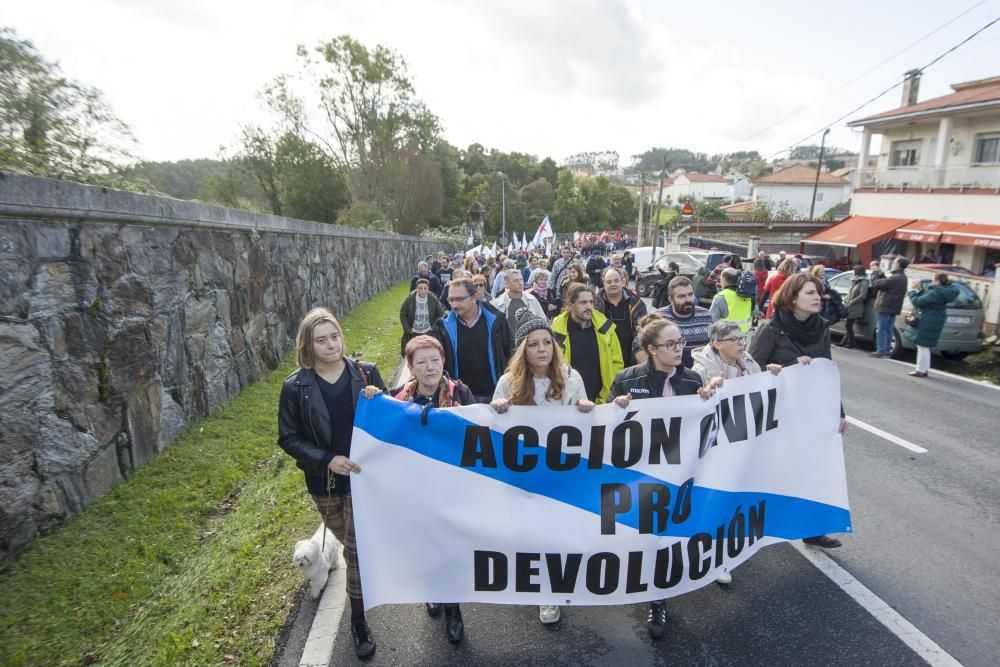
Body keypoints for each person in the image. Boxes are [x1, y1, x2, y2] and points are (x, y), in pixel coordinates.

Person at [277, 308, 387, 659]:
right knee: (345, 540)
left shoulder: (365, 372)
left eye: (335, 336)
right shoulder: (296, 387)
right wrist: (327, 459)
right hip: (322, 483)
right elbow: (288, 437)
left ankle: (358, 622)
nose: (331, 345)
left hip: (362, 479)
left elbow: (390, 419)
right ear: (308, 346)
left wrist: (379, 398)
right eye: (321, 340)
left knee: (354, 551)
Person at [608, 318, 722, 639]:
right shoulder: (627, 380)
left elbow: (709, 425)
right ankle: (651, 594)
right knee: (648, 537)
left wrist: (710, 398)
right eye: (671, 344)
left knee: (672, 534)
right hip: (644, 473)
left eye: (681, 343)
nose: (678, 349)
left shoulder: (692, 380)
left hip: (682, 472)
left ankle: (671, 590)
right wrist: (616, 408)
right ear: (651, 350)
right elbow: (606, 431)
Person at [491, 308, 595, 626]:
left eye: (546, 343)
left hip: (559, 471)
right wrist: (498, 410)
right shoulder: (509, 382)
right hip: (523, 472)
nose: (541, 350)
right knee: (530, 532)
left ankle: (553, 587)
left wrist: (585, 409)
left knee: (555, 531)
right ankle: (539, 588)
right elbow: (492, 427)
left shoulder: (571, 377)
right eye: (534, 344)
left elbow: (586, 419)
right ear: (524, 349)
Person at [748, 273, 847, 551]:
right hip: (779, 416)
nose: (818, 298)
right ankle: (750, 531)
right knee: (774, 475)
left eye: (818, 292)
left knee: (817, 470)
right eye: (809, 293)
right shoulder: (771, 329)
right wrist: (790, 366)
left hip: (812, 412)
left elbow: (827, 371)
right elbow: (751, 370)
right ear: (792, 299)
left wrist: (839, 413)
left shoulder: (821, 328)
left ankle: (813, 530)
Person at [390, 335, 473, 642]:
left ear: (443, 362)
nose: (430, 368)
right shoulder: (397, 401)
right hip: (415, 490)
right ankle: (431, 589)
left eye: (435, 360)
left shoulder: (460, 393)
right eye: (421, 362)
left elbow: (477, 434)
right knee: (423, 545)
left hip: (452, 488)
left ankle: (454, 609)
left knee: (450, 549)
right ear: (410, 367)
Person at [433, 277, 514, 403]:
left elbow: (512, 354)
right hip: (459, 397)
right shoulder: (443, 328)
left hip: (496, 395)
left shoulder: (497, 321)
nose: (454, 304)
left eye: (459, 299)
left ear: (474, 297)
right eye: (451, 299)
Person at [551, 283, 624, 403]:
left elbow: (617, 363)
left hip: (602, 401)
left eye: (591, 302)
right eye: (583, 302)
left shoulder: (605, 328)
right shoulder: (557, 332)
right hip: (569, 401)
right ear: (570, 304)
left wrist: (611, 392)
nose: (589, 306)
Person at [903, 273, 959, 377]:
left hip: (928, 320)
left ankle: (921, 370)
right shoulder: (943, 291)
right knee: (924, 345)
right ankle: (923, 369)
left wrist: (912, 291)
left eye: (933, 280)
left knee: (922, 345)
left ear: (937, 281)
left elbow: (918, 302)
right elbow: (926, 299)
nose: (931, 282)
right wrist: (920, 290)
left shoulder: (936, 292)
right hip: (935, 319)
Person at [655, 276, 714, 369]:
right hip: (669, 375)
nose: (687, 300)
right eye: (681, 296)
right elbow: (640, 348)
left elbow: (714, 347)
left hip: (699, 375)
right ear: (671, 300)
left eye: (690, 294)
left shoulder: (706, 316)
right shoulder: (658, 318)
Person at [597, 266, 647, 366]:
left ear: (622, 281)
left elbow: (643, 332)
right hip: (604, 357)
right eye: (609, 282)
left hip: (630, 357)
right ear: (604, 283)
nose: (613, 284)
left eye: (616, 281)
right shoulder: (595, 304)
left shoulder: (636, 304)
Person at [868, 257, 909, 358]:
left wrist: (874, 273)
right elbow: (885, 283)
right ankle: (886, 350)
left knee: (881, 328)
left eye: (895, 262)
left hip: (886, 305)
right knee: (888, 328)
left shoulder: (896, 277)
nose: (893, 263)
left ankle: (881, 350)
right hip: (893, 307)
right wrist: (881, 275)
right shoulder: (901, 277)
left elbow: (876, 284)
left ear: (898, 265)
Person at [399, 278, 444, 357]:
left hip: (428, 331)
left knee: (428, 353)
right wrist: (408, 329)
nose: (423, 291)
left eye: (425, 288)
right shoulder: (409, 299)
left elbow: (440, 314)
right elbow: (403, 315)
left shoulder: (433, 299)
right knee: (414, 355)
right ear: (416, 288)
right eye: (420, 288)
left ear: (428, 288)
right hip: (414, 333)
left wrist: (433, 327)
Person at [708, 268, 754, 332]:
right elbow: (755, 313)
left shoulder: (720, 297)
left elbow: (712, 320)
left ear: (723, 280)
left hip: (728, 337)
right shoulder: (748, 295)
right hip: (744, 337)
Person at [837, 265, 869, 348]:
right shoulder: (855, 280)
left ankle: (851, 343)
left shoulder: (864, 281)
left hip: (855, 307)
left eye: (854, 270)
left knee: (848, 325)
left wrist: (852, 302)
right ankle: (844, 342)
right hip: (849, 305)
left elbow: (862, 295)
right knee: (848, 325)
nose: (853, 272)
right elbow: (850, 293)